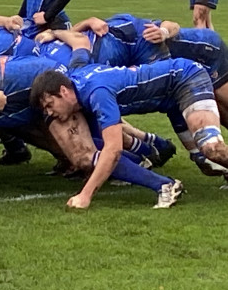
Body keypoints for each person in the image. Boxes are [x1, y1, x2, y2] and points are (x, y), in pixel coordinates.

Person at [30, 55, 228, 209]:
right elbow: (80, 48)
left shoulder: (96, 92)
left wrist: (85, 195)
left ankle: (163, 180)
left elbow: (113, 150)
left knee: (212, 150)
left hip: (186, 79)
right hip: (170, 99)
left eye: (50, 105)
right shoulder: (78, 78)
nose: (50, 113)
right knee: (208, 165)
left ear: (64, 91)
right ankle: (153, 167)